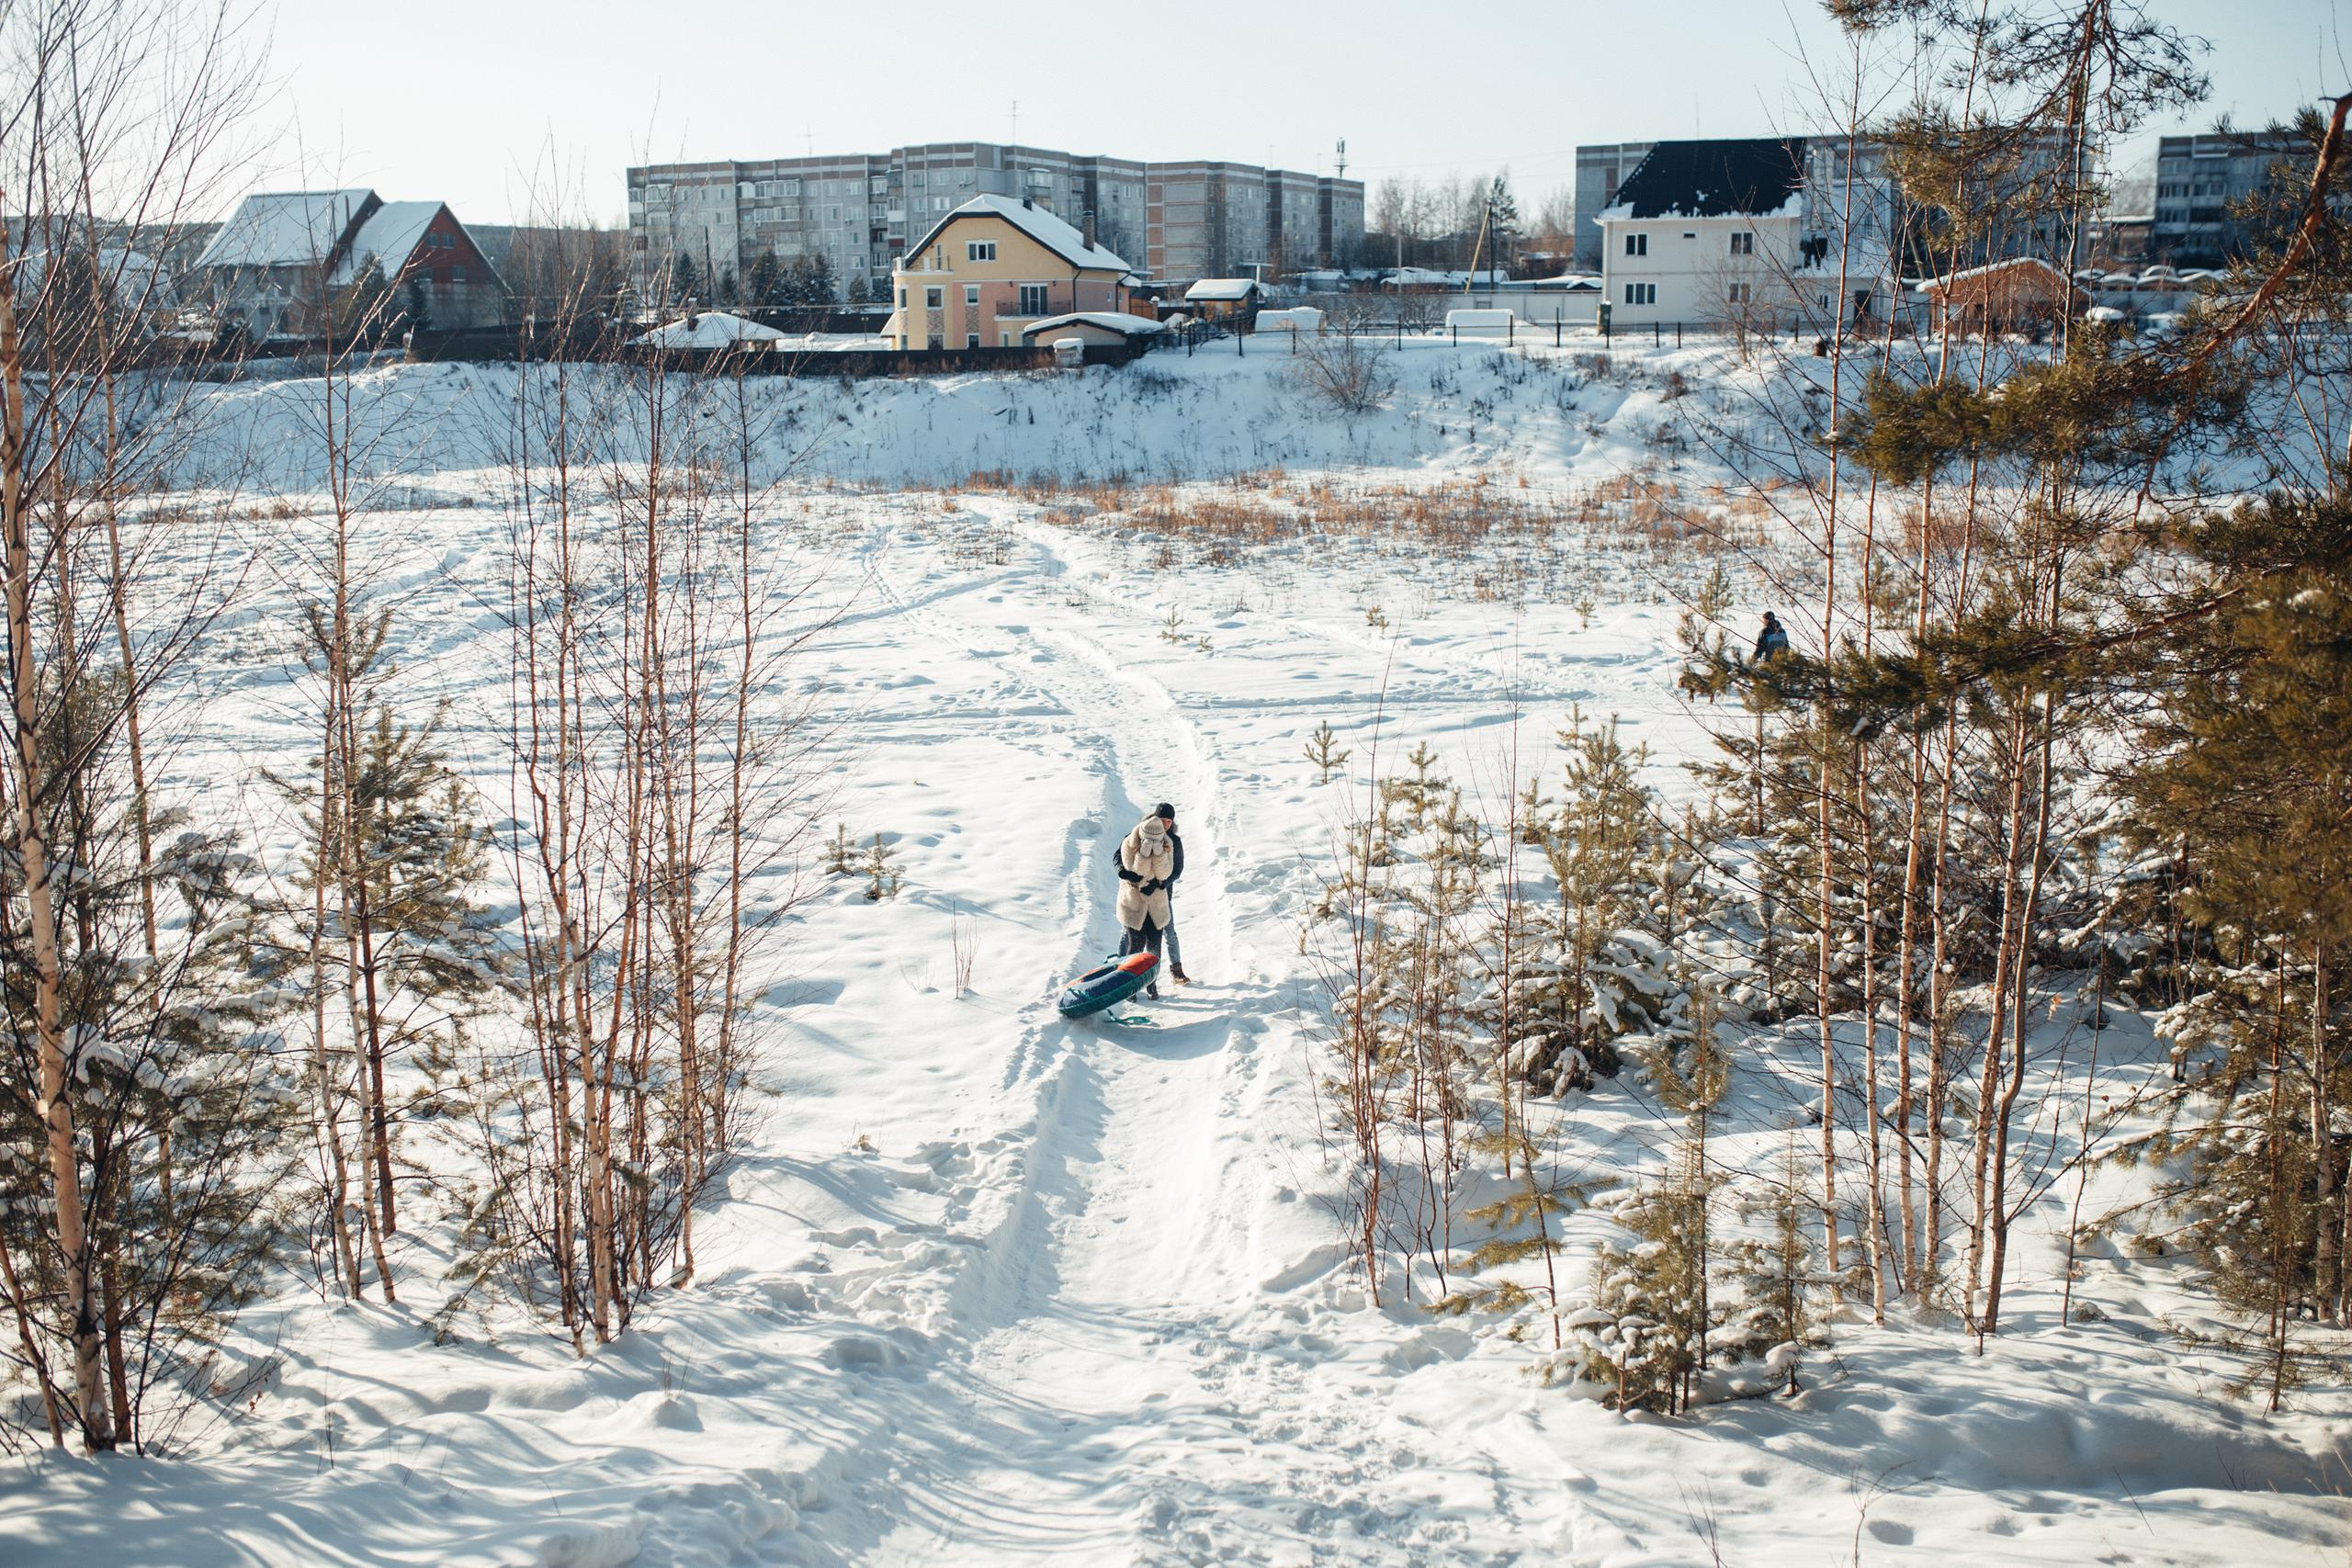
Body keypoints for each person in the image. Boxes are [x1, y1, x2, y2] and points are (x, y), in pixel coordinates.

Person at [1115, 808, 1175, 998]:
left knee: (1155, 947)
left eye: (1169, 821)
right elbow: (1133, 868)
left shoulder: (1168, 843)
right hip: (1134, 901)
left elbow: (1168, 872)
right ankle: (1128, 986)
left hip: (1156, 902)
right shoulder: (1130, 841)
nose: (1166, 824)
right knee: (1135, 944)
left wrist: (1158, 855)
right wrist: (1140, 856)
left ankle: (1151, 983)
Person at [1154, 802, 1193, 985]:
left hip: (1163, 894)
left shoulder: (1175, 842)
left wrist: (1163, 883)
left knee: (1170, 933)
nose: (1165, 824)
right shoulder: (1142, 834)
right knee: (1135, 935)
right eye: (1162, 820)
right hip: (1141, 895)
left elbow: (1178, 869)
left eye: (1168, 821)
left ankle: (1177, 970)